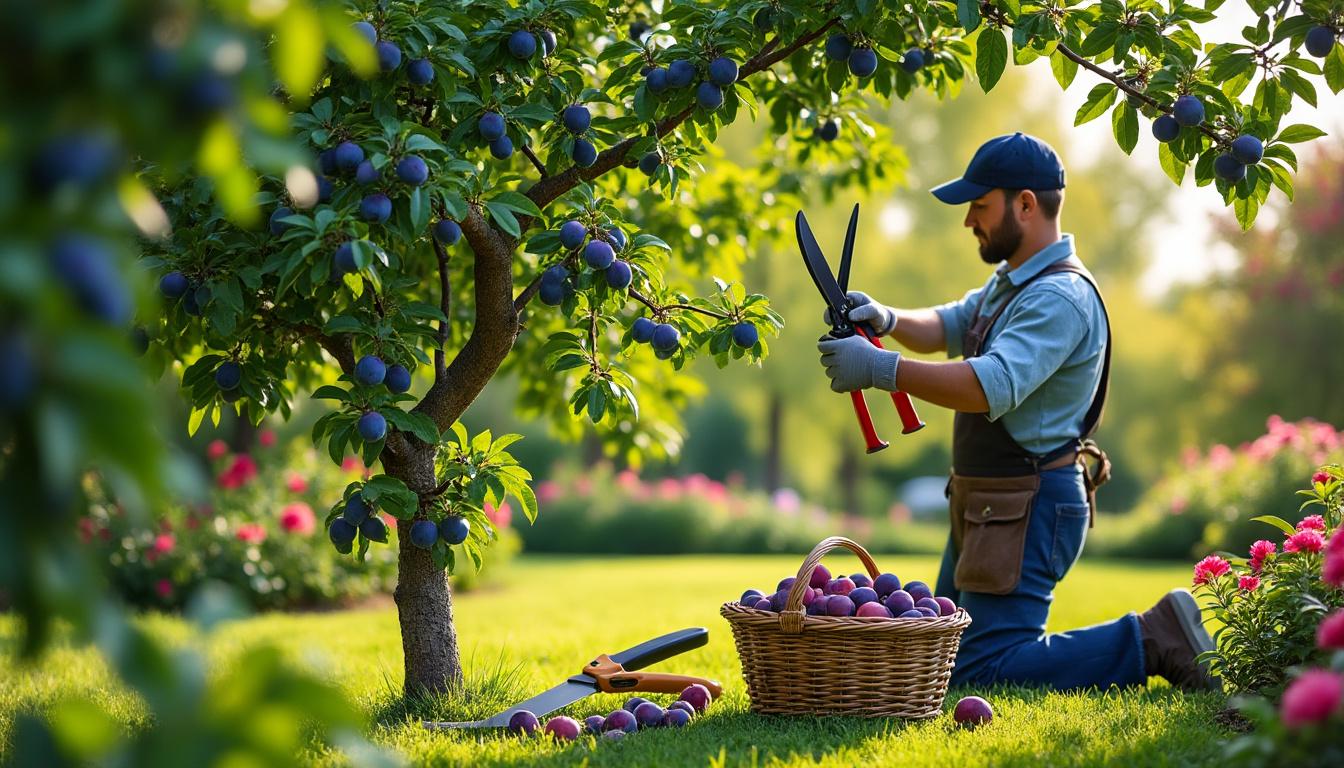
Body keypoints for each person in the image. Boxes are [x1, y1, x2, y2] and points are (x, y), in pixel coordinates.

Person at [815, 132, 1217, 691]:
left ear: (1025, 204)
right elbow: (953, 324)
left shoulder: (1058, 298)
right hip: (990, 502)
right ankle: (1151, 635)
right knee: (944, 651)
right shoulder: (1014, 282)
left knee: (983, 666)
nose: (968, 221)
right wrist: (885, 318)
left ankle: (1153, 637)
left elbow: (990, 385)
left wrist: (881, 370)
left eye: (979, 205)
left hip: (1027, 507)